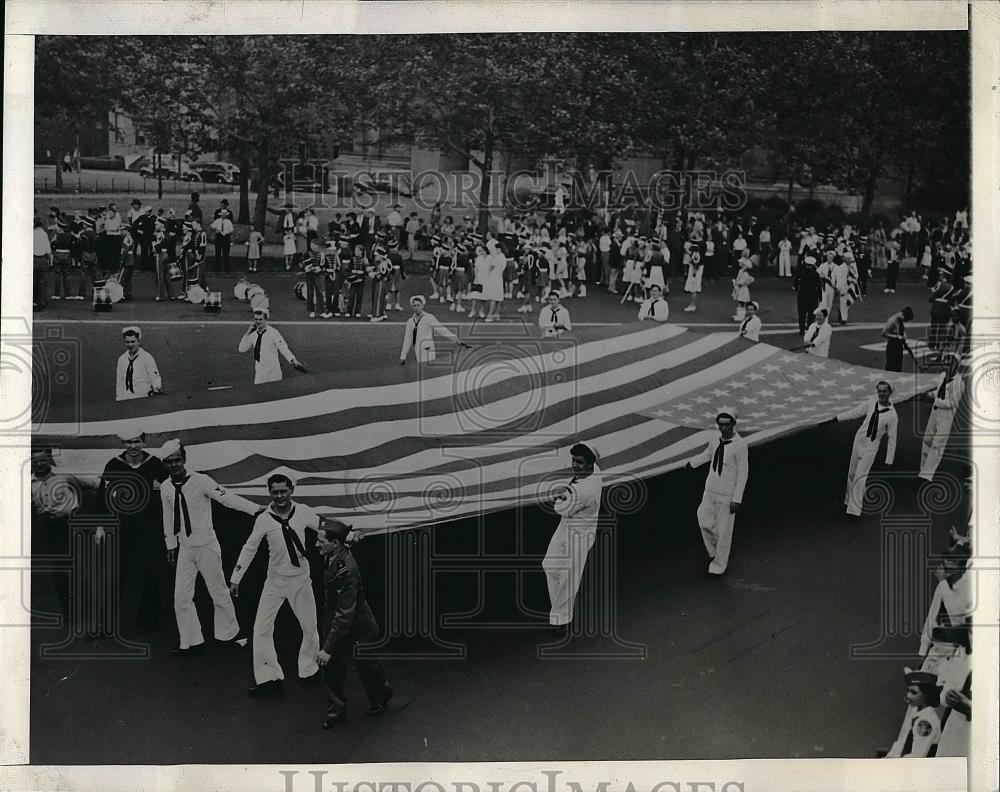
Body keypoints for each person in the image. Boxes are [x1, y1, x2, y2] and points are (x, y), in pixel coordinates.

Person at [159, 439, 259, 655]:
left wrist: (255, 509)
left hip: (206, 546)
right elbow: (168, 517)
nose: (174, 465)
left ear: (184, 460)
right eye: (169, 462)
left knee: (218, 592)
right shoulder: (166, 487)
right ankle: (191, 641)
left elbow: (227, 498)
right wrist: (171, 544)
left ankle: (229, 635)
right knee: (181, 597)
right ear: (165, 465)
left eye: (177, 460)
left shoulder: (201, 481)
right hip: (185, 548)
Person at [230, 474, 322, 697]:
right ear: (269, 492)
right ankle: (268, 678)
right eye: (275, 492)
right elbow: (249, 547)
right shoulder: (263, 519)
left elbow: (324, 526)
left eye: (283, 491)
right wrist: (236, 577)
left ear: (291, 490)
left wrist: (349, 534)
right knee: (261, 629)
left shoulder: (302, 511)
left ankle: (309, 670)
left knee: (310, 626)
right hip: (275, 581)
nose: (279, 496)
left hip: (300, 578)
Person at [316, 518, 393, 727]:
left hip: (358, 626)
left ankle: (381, 695)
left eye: (321, 541)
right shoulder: (334, 552)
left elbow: (344, 614)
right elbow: (346, 543)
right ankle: (336, 709)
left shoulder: (346, 571)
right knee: (331, 667)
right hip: (338, 619)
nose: (316, 544)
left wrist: (327, 648)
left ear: (335, 544)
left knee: (366, 664)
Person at [99, 430, 170, 634]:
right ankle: (109, 623)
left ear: (144, 443)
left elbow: (170, 489)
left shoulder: (154, 463)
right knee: (117, 575)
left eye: (137, 442)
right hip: (122, 527)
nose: (133, 446)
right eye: (129, 442)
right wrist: (101, 526)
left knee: (149, 573)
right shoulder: (113, 464)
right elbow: (103, 496)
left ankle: (148, 621)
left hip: (149, 527)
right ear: (123, 444)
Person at [30, 447, 101, 624]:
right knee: (59, 571)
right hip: (48, 527)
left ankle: (91, 610)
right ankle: (69, 612)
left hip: (70, 524)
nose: (39, 464)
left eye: (42, 459)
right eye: (35, 461)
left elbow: (93, 483)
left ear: (49, 460)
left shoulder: (64, 475)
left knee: (78, 568)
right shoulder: (29, 482)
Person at [542, 443, 604, 629]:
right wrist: (565, 497)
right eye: (574, 460)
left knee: (569, 577)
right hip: (567, 528)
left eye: (579, 462)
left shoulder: (585, 492)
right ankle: (559, 609)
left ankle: (561, 619)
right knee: (549, 565)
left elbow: (561, 508)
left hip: (578, 536)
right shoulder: (595, 470)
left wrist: (560, 498)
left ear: (590, 464)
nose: (575, 465)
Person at [685, 409, 749, 576]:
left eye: (727, 425)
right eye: (720, 425)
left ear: (733, 425)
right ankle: (714, 550)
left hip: (727, 494)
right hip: (710, 489)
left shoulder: (740, 445)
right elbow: (707, 455)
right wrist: (692, 463)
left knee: (724, 531)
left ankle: (718, 566)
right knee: (703, 519)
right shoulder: (715, 440)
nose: (723, 429)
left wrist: (737, 499)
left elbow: (743, 473)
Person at [840, 381, 898, 518]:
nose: (881, 394)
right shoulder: (872, 402)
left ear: (890, 393)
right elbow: (855, 412)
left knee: (860, 477)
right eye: (880, 391)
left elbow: (892, 439)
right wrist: (837, 418)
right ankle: (849, 500)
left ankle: (854, 511)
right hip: (859, 440)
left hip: (871, 447)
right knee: (852, 473)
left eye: (884, 391)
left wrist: (889, 460)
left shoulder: (892, 415)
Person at [919, 353, 964, 481]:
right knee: (927, 439)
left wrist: (933, 398)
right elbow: (938, 391)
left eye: (951, 363)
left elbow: (951, 403)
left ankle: (926, 475)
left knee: (938, 445)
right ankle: (922, 468)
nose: (947, 365)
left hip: (946, 416)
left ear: (956, 365)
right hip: (935, 412)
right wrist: (929, 394)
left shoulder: (959, 383)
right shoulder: (942, 376)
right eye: (946, 362)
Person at [238, 306, 307, 384]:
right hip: (260, 371)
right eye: (256, 319)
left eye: (260, 319)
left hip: (274, 372)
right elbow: (242, 349)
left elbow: (283, 348)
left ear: (265, 320)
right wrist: (247, 333)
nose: (258, 322)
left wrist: (292, 360)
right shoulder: (253, 334)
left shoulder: (273, 333)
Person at [883, 669, 942, 758]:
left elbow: (917, 755)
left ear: (926, 695)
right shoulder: (915, 714)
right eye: (908, 690)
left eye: (914, 692)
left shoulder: (926, 721)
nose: (908, 696)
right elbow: (901, 743)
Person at [400, 295, 469, 364]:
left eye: (418, 305)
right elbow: (407, 339)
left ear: (422, 306)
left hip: (428, 348)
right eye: (414, 306)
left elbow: (442, 330)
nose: (417, 307)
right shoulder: (410, 321)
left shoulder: (429, 317)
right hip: (418, 349)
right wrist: (403, 356)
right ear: (412, 307)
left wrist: (456, 339)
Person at [116, 326, 162, 401]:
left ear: (138, 341)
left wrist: (157, 386)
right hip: (126, 398)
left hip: (143, 398)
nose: (130, 345)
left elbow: (154, 375)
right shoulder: (121, 359)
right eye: (127, 342)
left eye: (133, 341)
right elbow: (120, 382)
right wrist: (119, 398)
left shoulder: (147, 357)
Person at [793, 255, 824, 334]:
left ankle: (801, 328)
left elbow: (795, 282)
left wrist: (797, 288)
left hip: (802, 294)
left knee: (801, 312)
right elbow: (819, 286)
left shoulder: (801, 272)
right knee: (811, 313)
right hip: (813, 295)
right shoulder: (816, 274)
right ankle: (809, 326)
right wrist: (820, 297)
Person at [881, 306, 914, 372]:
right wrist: (896, 337)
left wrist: (904, 335)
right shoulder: (892, 320)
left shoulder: (900, 320)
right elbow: (884, 333)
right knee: (891, 368)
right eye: (906, 319)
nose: (906, 321)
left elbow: (900, 331)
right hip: (892, 347)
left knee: (898, 368)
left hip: (899, 346)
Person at [33, 217, 52, 310]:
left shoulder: (31, 234)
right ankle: (42, 301)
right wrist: (50, 261)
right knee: (42, 282)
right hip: (43, 259)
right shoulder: (44, 234)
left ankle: (33, 301)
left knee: (33, 281)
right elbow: (48, 250)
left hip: (34, 258)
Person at [211, 200, 234, 273]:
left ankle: (226, 268)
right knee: (218, 253)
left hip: (226, 237)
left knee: (226, 253)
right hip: (219, 237)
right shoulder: (217, 221)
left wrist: (226, 232)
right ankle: (217, 268)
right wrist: (216, 231)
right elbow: (212, 226)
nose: (223, 216)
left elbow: (231, 230)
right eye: (222, 215)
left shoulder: (228, 222)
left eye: (224, 215)